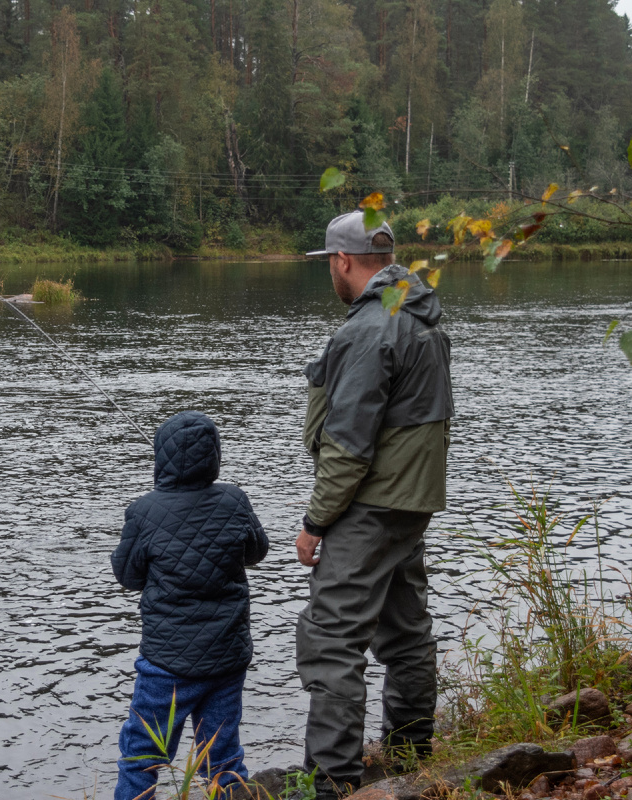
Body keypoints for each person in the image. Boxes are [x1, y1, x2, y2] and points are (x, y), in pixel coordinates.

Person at [296, 210, 453, 799]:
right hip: (411, 503)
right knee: (406, 629)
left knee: (332, 637)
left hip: (373, 504)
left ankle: (333, 781)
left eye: (328, 265)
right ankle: (412, 756)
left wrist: (315, 523)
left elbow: (348, 448)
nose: (329, 275)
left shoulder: (368, 329)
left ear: (342, 260)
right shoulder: (417, 313)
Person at [112, 410, 269, 800]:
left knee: (142, 756)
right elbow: (256, 551)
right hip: (228, 655)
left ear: (160, 458)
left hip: (167, 663)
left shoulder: (143, 510)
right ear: (214, 455)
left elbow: (128, 576)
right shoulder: (235, 499)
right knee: (224, 754)